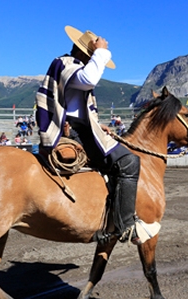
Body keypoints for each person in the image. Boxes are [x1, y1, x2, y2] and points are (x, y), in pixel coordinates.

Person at [36, 25, 143, 245]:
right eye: (92, 54)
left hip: (80, 126)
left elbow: (76, 104)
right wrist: (102, 53)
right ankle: (125, 225)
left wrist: (97, 125)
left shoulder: (68, 66)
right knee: (129, 162)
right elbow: (88, 80)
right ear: (86, 52)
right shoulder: (66, 64)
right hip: (74, 131)